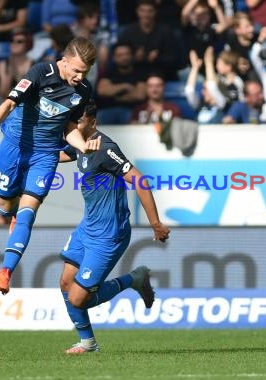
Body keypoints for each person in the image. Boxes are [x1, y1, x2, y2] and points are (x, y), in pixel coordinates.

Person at [0, 37, 102, 295]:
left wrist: (83, 146)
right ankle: (11, 214)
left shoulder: (83, 90)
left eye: (85, 72)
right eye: (76, 70)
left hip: (45, 154)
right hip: (14, 146)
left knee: (28, 214)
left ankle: (5, 272)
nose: (79, 76)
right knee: (5, 205)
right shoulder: (42, 72)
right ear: (63, 61)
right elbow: (9, 103)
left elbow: (71, 127)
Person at [59, 105, 170, 354]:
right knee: (65, 283)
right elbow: (65, 154)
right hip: (87, 227)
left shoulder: (105, 148)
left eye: (78, 121)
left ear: (93, 123)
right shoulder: (81, 144)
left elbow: (140, 180)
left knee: (78, 298)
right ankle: (88, 343)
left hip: (109, 235)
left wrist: (155, 223)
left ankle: (134, 279)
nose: (73, 126)